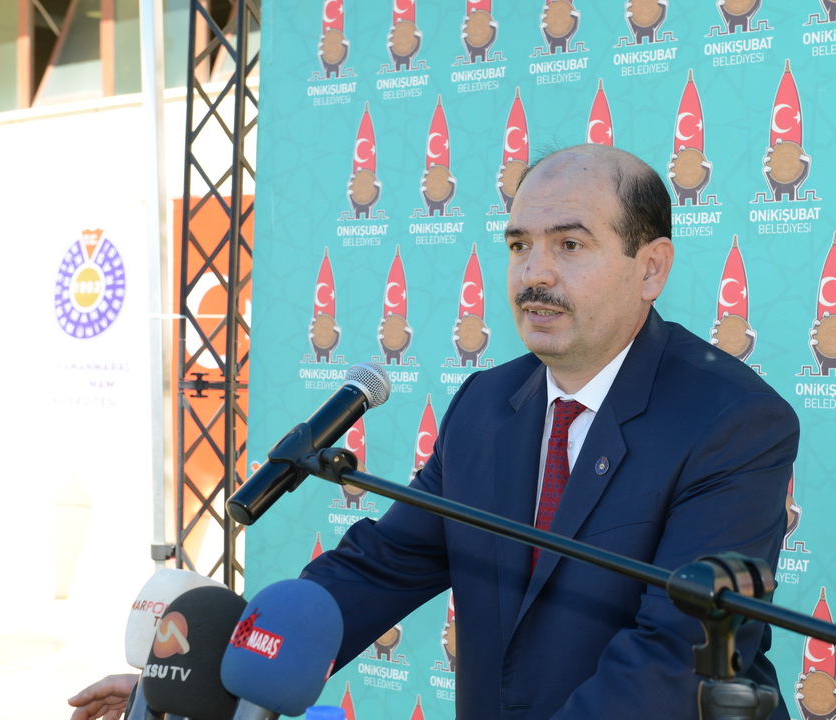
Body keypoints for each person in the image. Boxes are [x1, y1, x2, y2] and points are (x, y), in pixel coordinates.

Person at [69, 143, 798, 719]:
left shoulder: (732, 421)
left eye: (569, 246)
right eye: (519, 245)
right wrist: (200, 679)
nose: (534, 274)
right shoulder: (487, 404)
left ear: (651, 268)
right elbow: (381, 566)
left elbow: (675, 655)